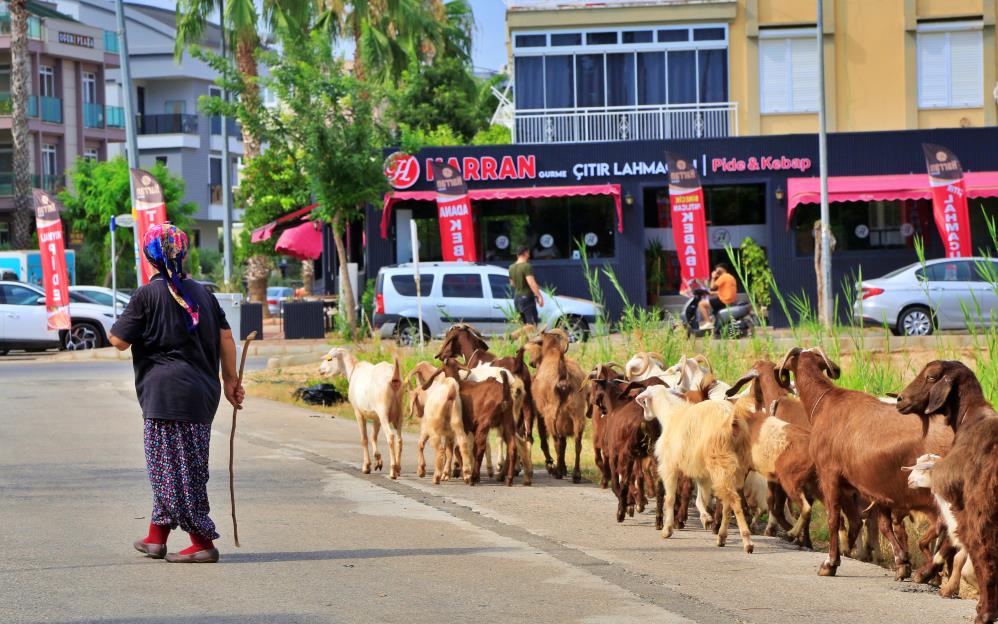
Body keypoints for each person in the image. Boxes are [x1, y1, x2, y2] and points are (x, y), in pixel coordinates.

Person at [109, 223, 244, 564]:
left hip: (165, 396)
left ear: (148, 257)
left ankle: (201, 541)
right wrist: (231, 382)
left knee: (171, 471)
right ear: (183, 254)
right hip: (202, 395)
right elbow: (227, 338)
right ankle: (156, 537)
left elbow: (118, 340)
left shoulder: (146, 295)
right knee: (183, 467)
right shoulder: (204, 293)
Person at [508, 246, 544, 325]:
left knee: (522, 326)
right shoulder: (527, 266)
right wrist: (539, 296)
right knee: (532, 325)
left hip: (517, 298)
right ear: (525, 253)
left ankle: (524, 338)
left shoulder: (511, 267)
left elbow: (512, 284)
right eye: (528, 253)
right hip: (527, 298)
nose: (529, 255)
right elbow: (531, 282)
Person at [697, 263, 738, 330]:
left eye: (717, 269)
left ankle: (708, 322)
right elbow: (726, 290)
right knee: (711, 305)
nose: (716, 270)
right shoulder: (730, 277)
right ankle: (713, 322)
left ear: (722, 269)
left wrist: (713, 277)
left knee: (701, 304)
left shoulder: (723, 277)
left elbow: (712, 287)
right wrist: (713, 293)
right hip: (729, 300)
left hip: (723, 300)